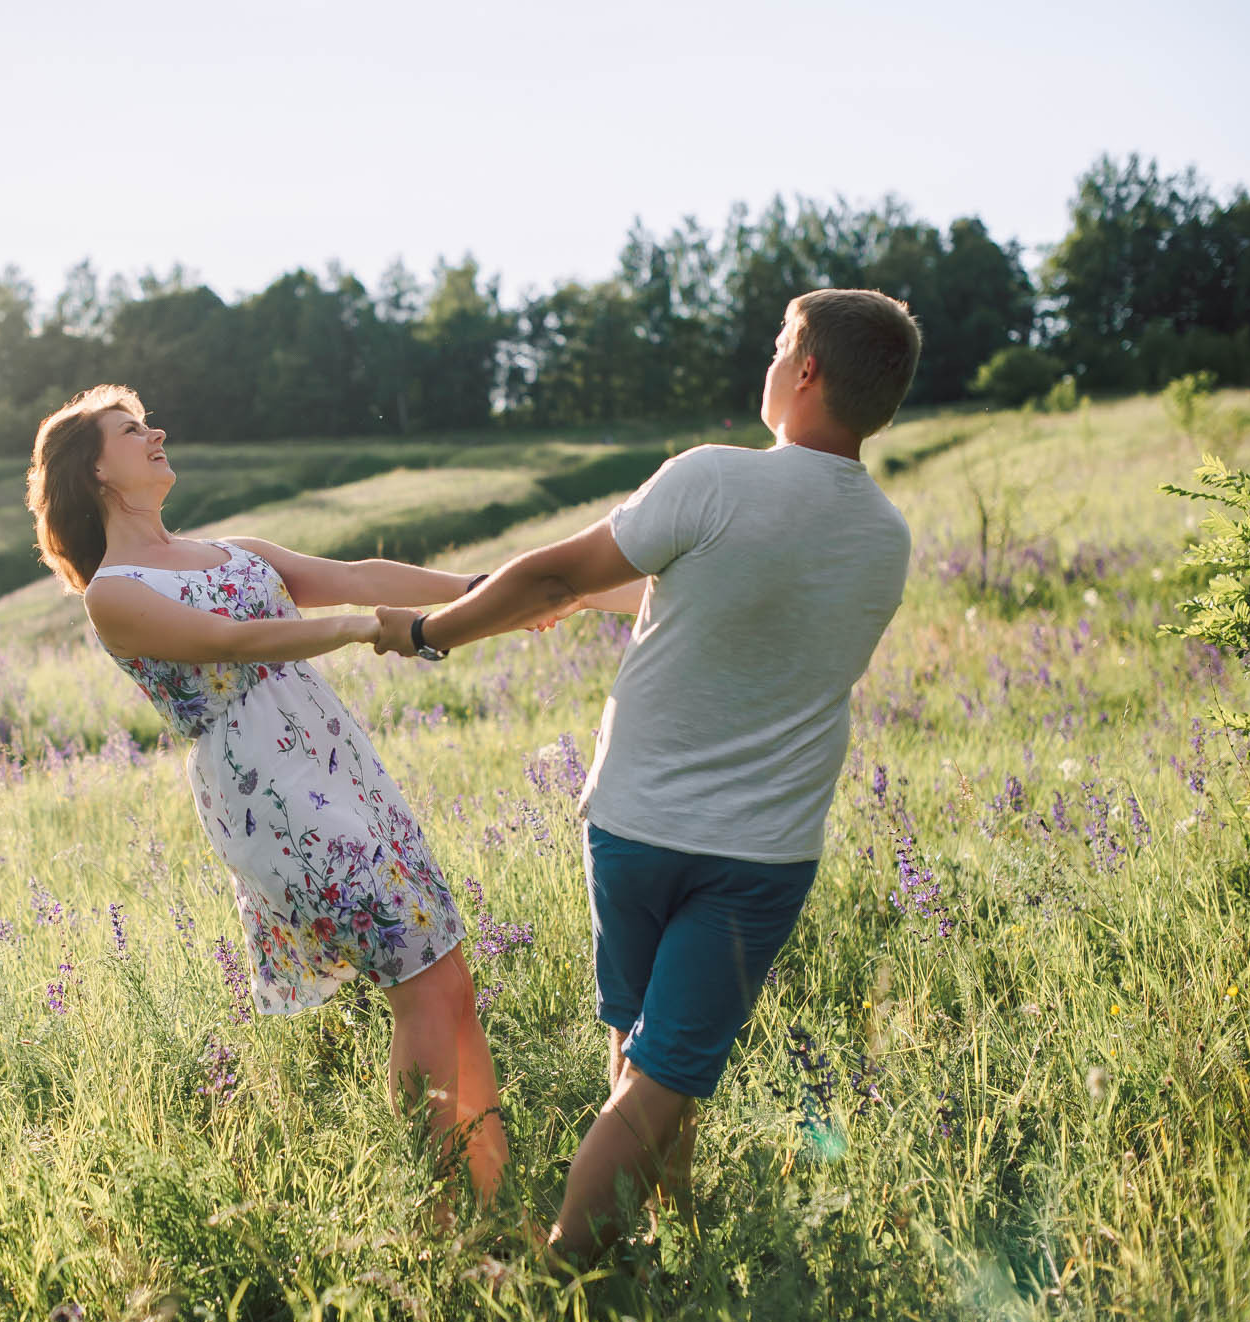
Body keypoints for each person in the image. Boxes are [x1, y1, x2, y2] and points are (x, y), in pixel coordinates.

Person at [374, 288, 921, 1260]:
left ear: (804, 373)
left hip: (631, 827)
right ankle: (652, 1235)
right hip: (758, 854)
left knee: (643, 1057)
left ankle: (565, 1272)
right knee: (664, 1068)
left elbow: (557, 574)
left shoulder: (710, 478)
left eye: (776, 343)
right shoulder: (884, 538)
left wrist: (425, 632)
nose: (767, 359)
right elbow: (723, 603)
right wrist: (590, 597)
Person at [24, 384, 516, 1208]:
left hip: (342, 769)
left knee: (450, 977)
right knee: (419, 979)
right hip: (270, 799)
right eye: (131, 429)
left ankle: (498, 1204)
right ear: (95, 472)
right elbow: (232, 641)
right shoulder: (112, 592)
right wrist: (362, 626)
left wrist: (485, 588)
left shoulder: (232, 549)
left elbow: (351, 572)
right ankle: (451, 1219)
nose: (157, 433)